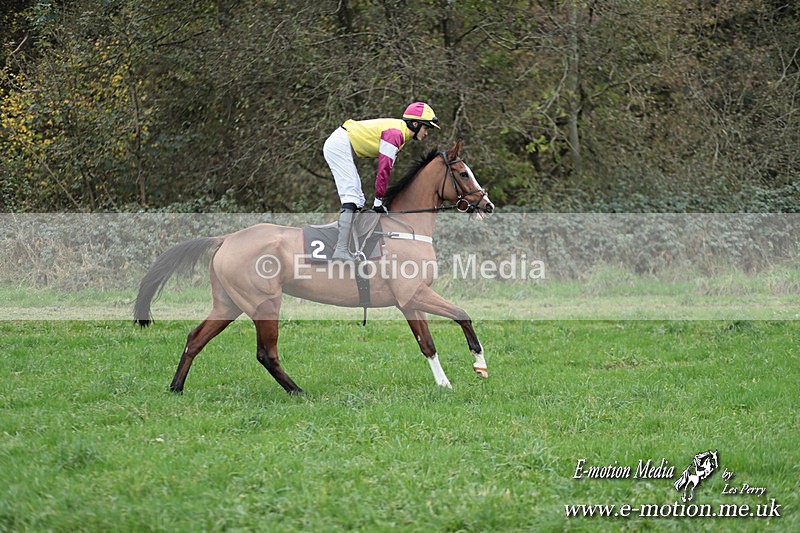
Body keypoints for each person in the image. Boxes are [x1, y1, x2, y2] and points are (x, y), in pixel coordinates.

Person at [323, 102, 440, 260]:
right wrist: (378, 201)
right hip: (338, 145)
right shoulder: (395, 134)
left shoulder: (401, 136)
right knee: (351, 197)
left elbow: (386, 170)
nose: (426, 133)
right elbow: (384, 170)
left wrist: (379, 201)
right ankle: (341, 250)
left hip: (342, 144)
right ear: (415, 124)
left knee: (358, 199)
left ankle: (350, 246)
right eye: (426, 128)